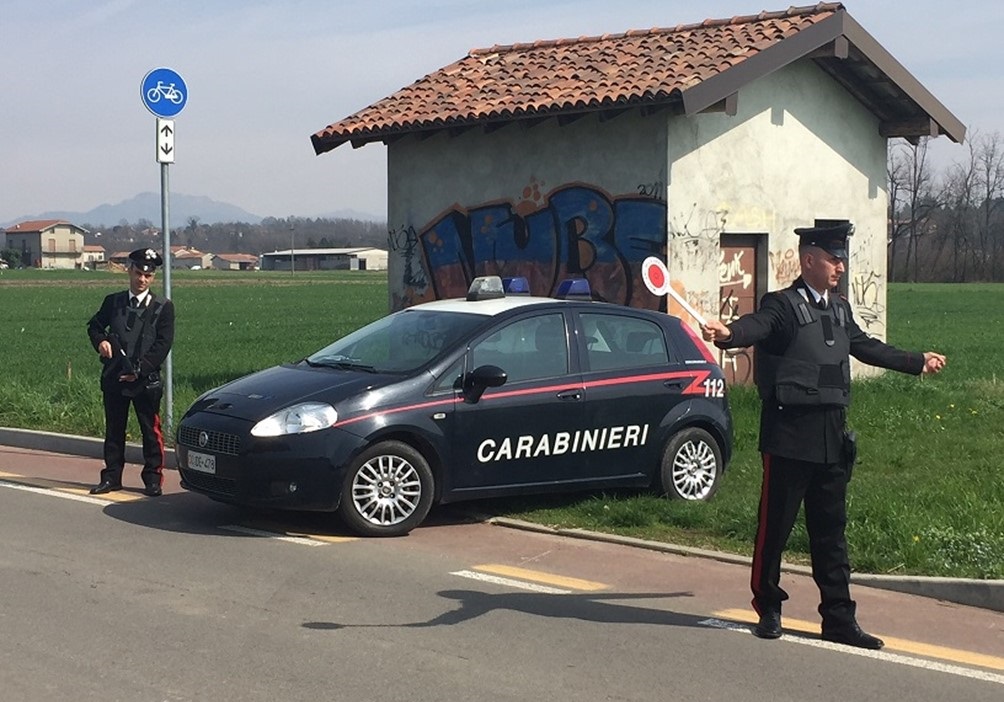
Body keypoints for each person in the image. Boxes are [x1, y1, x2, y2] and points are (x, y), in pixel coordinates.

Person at [701, 221, 946, 650]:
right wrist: (729, 333)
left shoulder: (839, 309)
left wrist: (916, 360)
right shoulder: (781, 304)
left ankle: (838, 618)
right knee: (773, 529)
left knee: (831, 533)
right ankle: (769, 607)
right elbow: (755, 326)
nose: (841, 266)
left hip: (833, 438)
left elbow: (868, 346)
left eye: (842, 258)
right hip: (789, 437)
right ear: (809, 260)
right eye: (834, 259)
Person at [87, 248, 175, 497]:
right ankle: (112, 477)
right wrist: (101, 341)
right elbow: (94, 326)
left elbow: (163, 344)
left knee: (150, 432)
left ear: (153, 277)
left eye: (148, 276)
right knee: (114, 430)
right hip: (114, 377)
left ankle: (153, 479)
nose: (142, 280)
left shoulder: (163, 307)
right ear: (129, 271)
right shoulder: (112, 302)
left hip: (145, 381)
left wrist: (140, 370)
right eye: (138, 273)